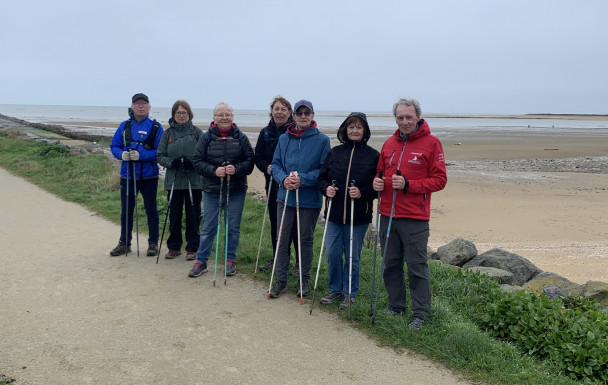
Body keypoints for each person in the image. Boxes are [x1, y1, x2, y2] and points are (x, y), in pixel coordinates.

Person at [372, 98, 447, 330]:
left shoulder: (432, 143)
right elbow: (380, 173)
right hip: (388, 214)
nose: (404, 121)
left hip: (415, 217)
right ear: (395, 119)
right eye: (400, 117)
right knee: (390, 264)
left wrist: (408, 185)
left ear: (418, 118)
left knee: (416, 266)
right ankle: (396, 306)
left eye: (409, 117)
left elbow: (440, 180)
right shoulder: (388, 144)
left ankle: (421, 314)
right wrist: (377, 184)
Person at [268, 100, 330, 298]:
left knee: (305, 240)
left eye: (307, 113)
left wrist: (303, 180)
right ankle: (281, 281)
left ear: (312, 115)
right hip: (284, 198)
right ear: (294, 115)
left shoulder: (322, 140)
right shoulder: (284, 139)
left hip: (309, 200)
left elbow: (323, 170)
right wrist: (283, 178)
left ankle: (303, 280)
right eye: (299, 113)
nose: (303, 116)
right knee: (282, 239)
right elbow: (275, 164)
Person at [317, 112, 379, 309]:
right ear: (345, 129)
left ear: (365, 131)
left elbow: (378, 188)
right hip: (333, 215)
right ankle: (335, 289)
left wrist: (362, 193)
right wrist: (326, 188)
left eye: (359, 127)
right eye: (351, 127)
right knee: (333, 254)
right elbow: (321, 178)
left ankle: (350, 293)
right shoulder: (334, 153)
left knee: (352, 257)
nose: (354, 130)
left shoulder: (373, 156)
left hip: (358, 217)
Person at [188, 102, 254, 278]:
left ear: (233, 117)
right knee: (209, 226)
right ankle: (201, 261)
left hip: (236, 190)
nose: (224, 117)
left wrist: (236, 169)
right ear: (214, 118)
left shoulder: (241, 137)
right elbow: (197, 161)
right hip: (212, 189)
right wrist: (214, 171)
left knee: (233, 227)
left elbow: (249, 162)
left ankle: (230, 259)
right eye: (220, 114)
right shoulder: (206, 137)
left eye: (228, 114)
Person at [109, 93, 163, 257]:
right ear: (132, 107)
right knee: (126, 210)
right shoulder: (124, 126)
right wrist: (121, 155)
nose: (141, 106)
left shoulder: (156, 127)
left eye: (144, 103)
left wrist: (142, 156)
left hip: (149, 176)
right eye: (137, 103)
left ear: (149, 107)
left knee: (151, 210)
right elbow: (114, 146)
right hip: (128, 175)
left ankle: (153, 243)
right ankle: (124, 243)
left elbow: (160, 152)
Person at [253, 96, 299, 273]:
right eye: (276, 109)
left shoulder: (295, 131)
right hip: (272, 183)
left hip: (293, 184)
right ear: (271, 111)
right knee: (276, 222)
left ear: (289, 113)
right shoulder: (265, 132)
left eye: (283, 109)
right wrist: (267, 168)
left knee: (295, 224)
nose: (280, 112)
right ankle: (278, 258)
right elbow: (257, 157)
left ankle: (298, 263)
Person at [156, 100, 203, 260]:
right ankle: (174, 247)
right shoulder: (167, 133)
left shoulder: (197, 133)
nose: (181, 115)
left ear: (189, 114)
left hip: (194, 181)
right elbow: (160, 155)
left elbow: (204, 156)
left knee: (193, 215)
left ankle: (192, 248)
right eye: (178, 113)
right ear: (173, 115)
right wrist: (172, 163)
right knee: (174, 215)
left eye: (184, 112)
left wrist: (193, 163)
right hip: (174, 180)